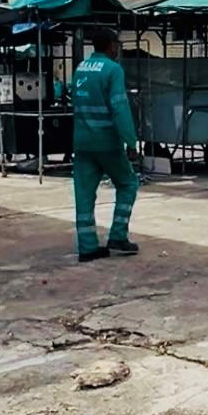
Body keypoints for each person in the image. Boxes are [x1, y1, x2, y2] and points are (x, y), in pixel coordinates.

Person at [71, 28, 140, 263]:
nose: (117, 48)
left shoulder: (80, 68)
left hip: (82, 142)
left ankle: (87, 247)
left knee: (84, 194)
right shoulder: (113, 70)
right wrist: (131, 142)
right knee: (128, 183)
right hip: (107, 142)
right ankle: (118, 235)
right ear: (111, 45)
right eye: (116, 44)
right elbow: (120, 107)